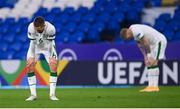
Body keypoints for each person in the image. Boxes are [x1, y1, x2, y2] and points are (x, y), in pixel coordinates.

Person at [120, 24, 167, 92]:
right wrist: (145, 57)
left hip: (159, 41)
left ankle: (155, 86)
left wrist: (149, 54)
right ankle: (150, 86)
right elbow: (140, 45)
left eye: (127, 37)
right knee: (149, 63)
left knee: (154, 62)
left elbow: (146, 42)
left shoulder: (136, 31)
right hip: (152, 44)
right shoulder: (133, 33)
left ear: (127, 32)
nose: (129, 38)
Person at [25, 16, 59, 100]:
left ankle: (52, 95)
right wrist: (32, 56)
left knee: (53, 65)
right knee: (30, 65)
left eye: (40, 29)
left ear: (44, 25)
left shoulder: (51, 29)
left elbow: (51, 43)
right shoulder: (31, 27)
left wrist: (52, 57)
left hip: (48, 46)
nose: (38, 31)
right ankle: (33, 95)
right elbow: (32, 43)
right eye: (37, 29)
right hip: (35, 47)